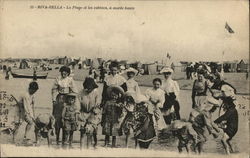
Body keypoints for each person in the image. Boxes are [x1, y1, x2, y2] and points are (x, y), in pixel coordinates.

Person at [51, 66, 78, 145]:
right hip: (59, 99)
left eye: (65, 72)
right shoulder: (58, 79)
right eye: (62, 71)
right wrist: (54, 99)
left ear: (68, 73)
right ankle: (57, 138)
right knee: (58, 119)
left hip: (67, 99)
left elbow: (75, 91)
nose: (64, 73)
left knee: (66, 118)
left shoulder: (70, 80)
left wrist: (71, 98)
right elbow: (53, 89)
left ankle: (65, 139)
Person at [213, 86, 239, 154]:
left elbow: (224, 117)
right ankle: (233, 151)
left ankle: (228, 153)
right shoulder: (232, 109)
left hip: (231, 128)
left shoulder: (231, 110)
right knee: (228, 140)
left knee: (223, 140)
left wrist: (215, 121)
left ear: (228, 104)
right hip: (232, 127)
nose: (224, 106)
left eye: (226, 104)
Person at [78, 77, 101, 149]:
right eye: (87, 87)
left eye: (90, 87)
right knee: (82, 133)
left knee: (90, 133)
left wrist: (95, 110)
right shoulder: (81, 92)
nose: (89, 89)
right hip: (83, 113)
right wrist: (78, 112)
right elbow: (78, 102)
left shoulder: (96, 92)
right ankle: (81, 149)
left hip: (93, 114)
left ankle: (90, 147)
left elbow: (98, 103)